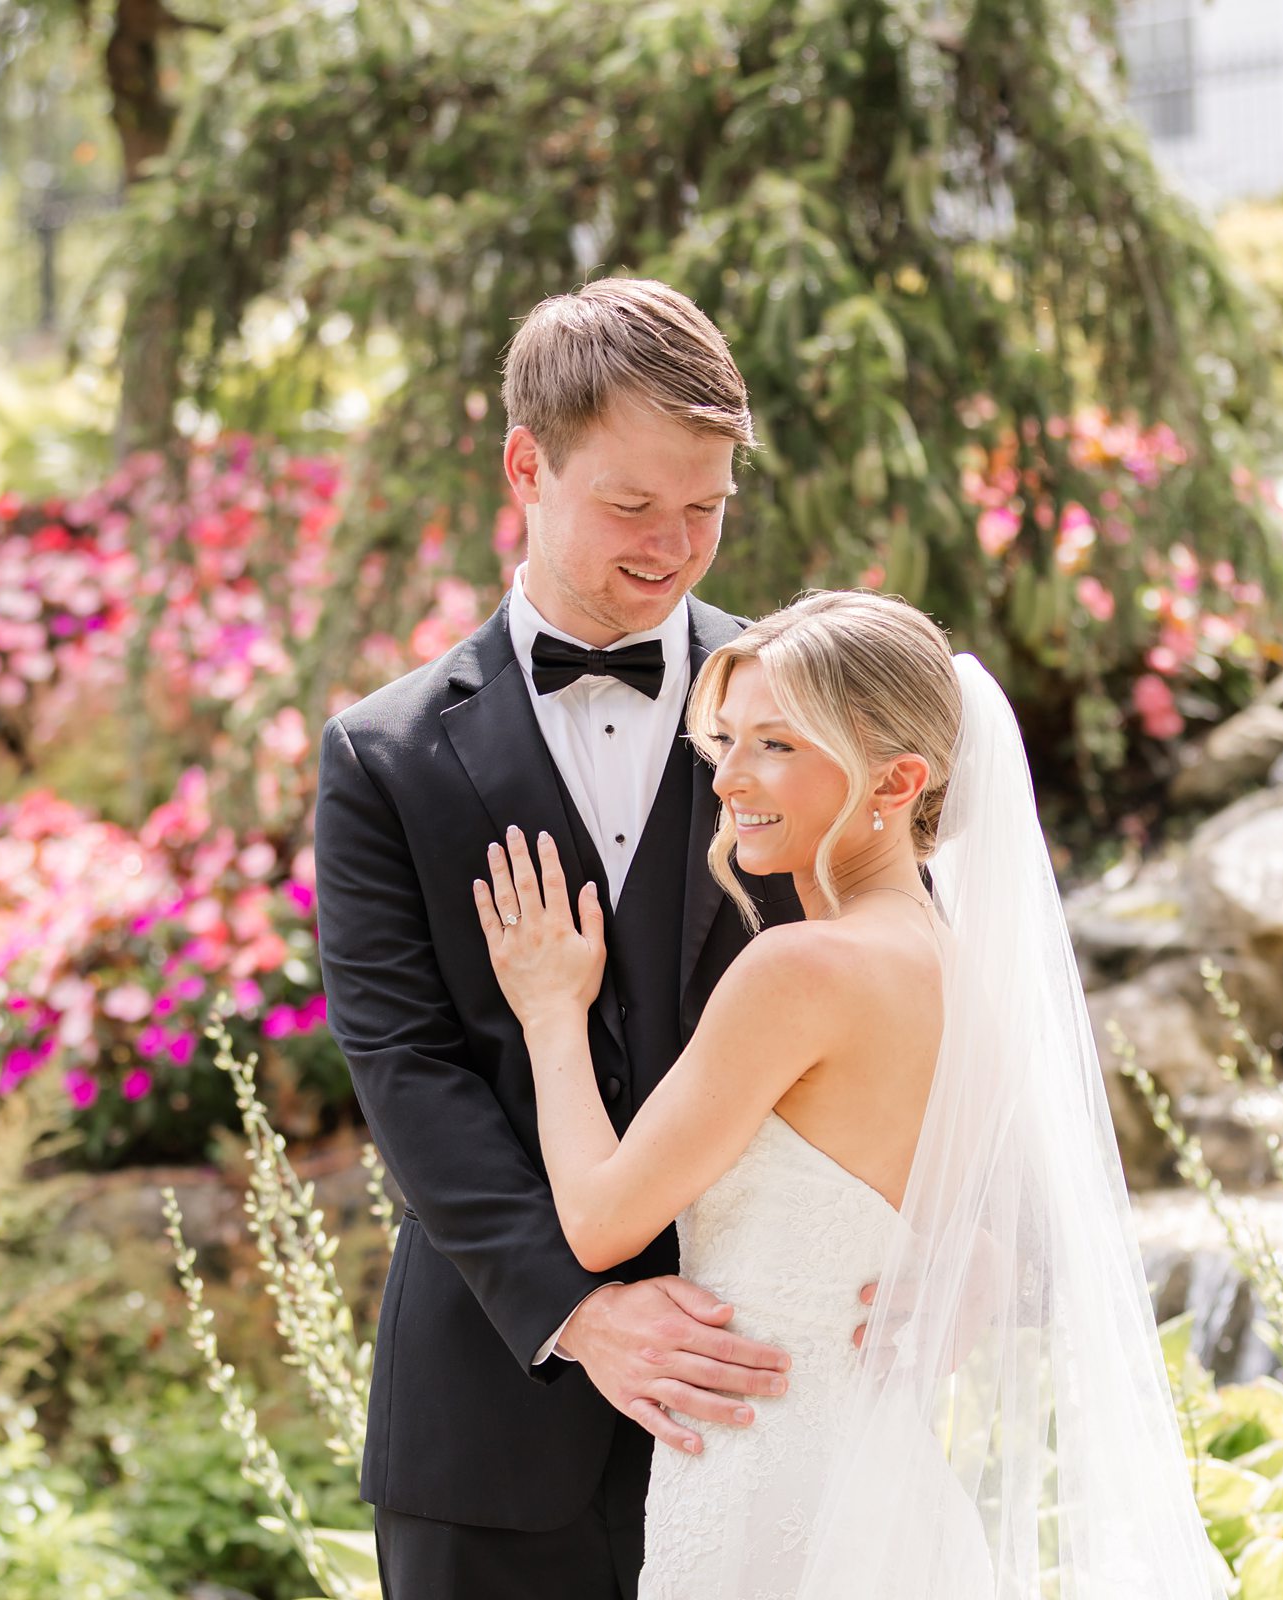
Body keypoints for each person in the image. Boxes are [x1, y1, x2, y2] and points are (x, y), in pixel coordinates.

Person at [474, 589, 1221, 1597]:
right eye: (727, 738)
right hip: (890, 1487)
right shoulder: (965, 976)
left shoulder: (800, 971)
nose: (730, 776)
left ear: (897, 779)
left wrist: (551, 1010)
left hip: (765, 1493)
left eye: (776, 745)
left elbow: (603, 1221)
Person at [312, 276, 834, 1599]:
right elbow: (404, 1063)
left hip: (772, 1390)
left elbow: (911, 986)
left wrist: (942, 1252)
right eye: (631, 503)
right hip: (488, 1428)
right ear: (526, 466)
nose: (673, 544)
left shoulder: (812, 715)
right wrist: (582, 1314)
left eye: (706, 507)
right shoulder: (383, 758)